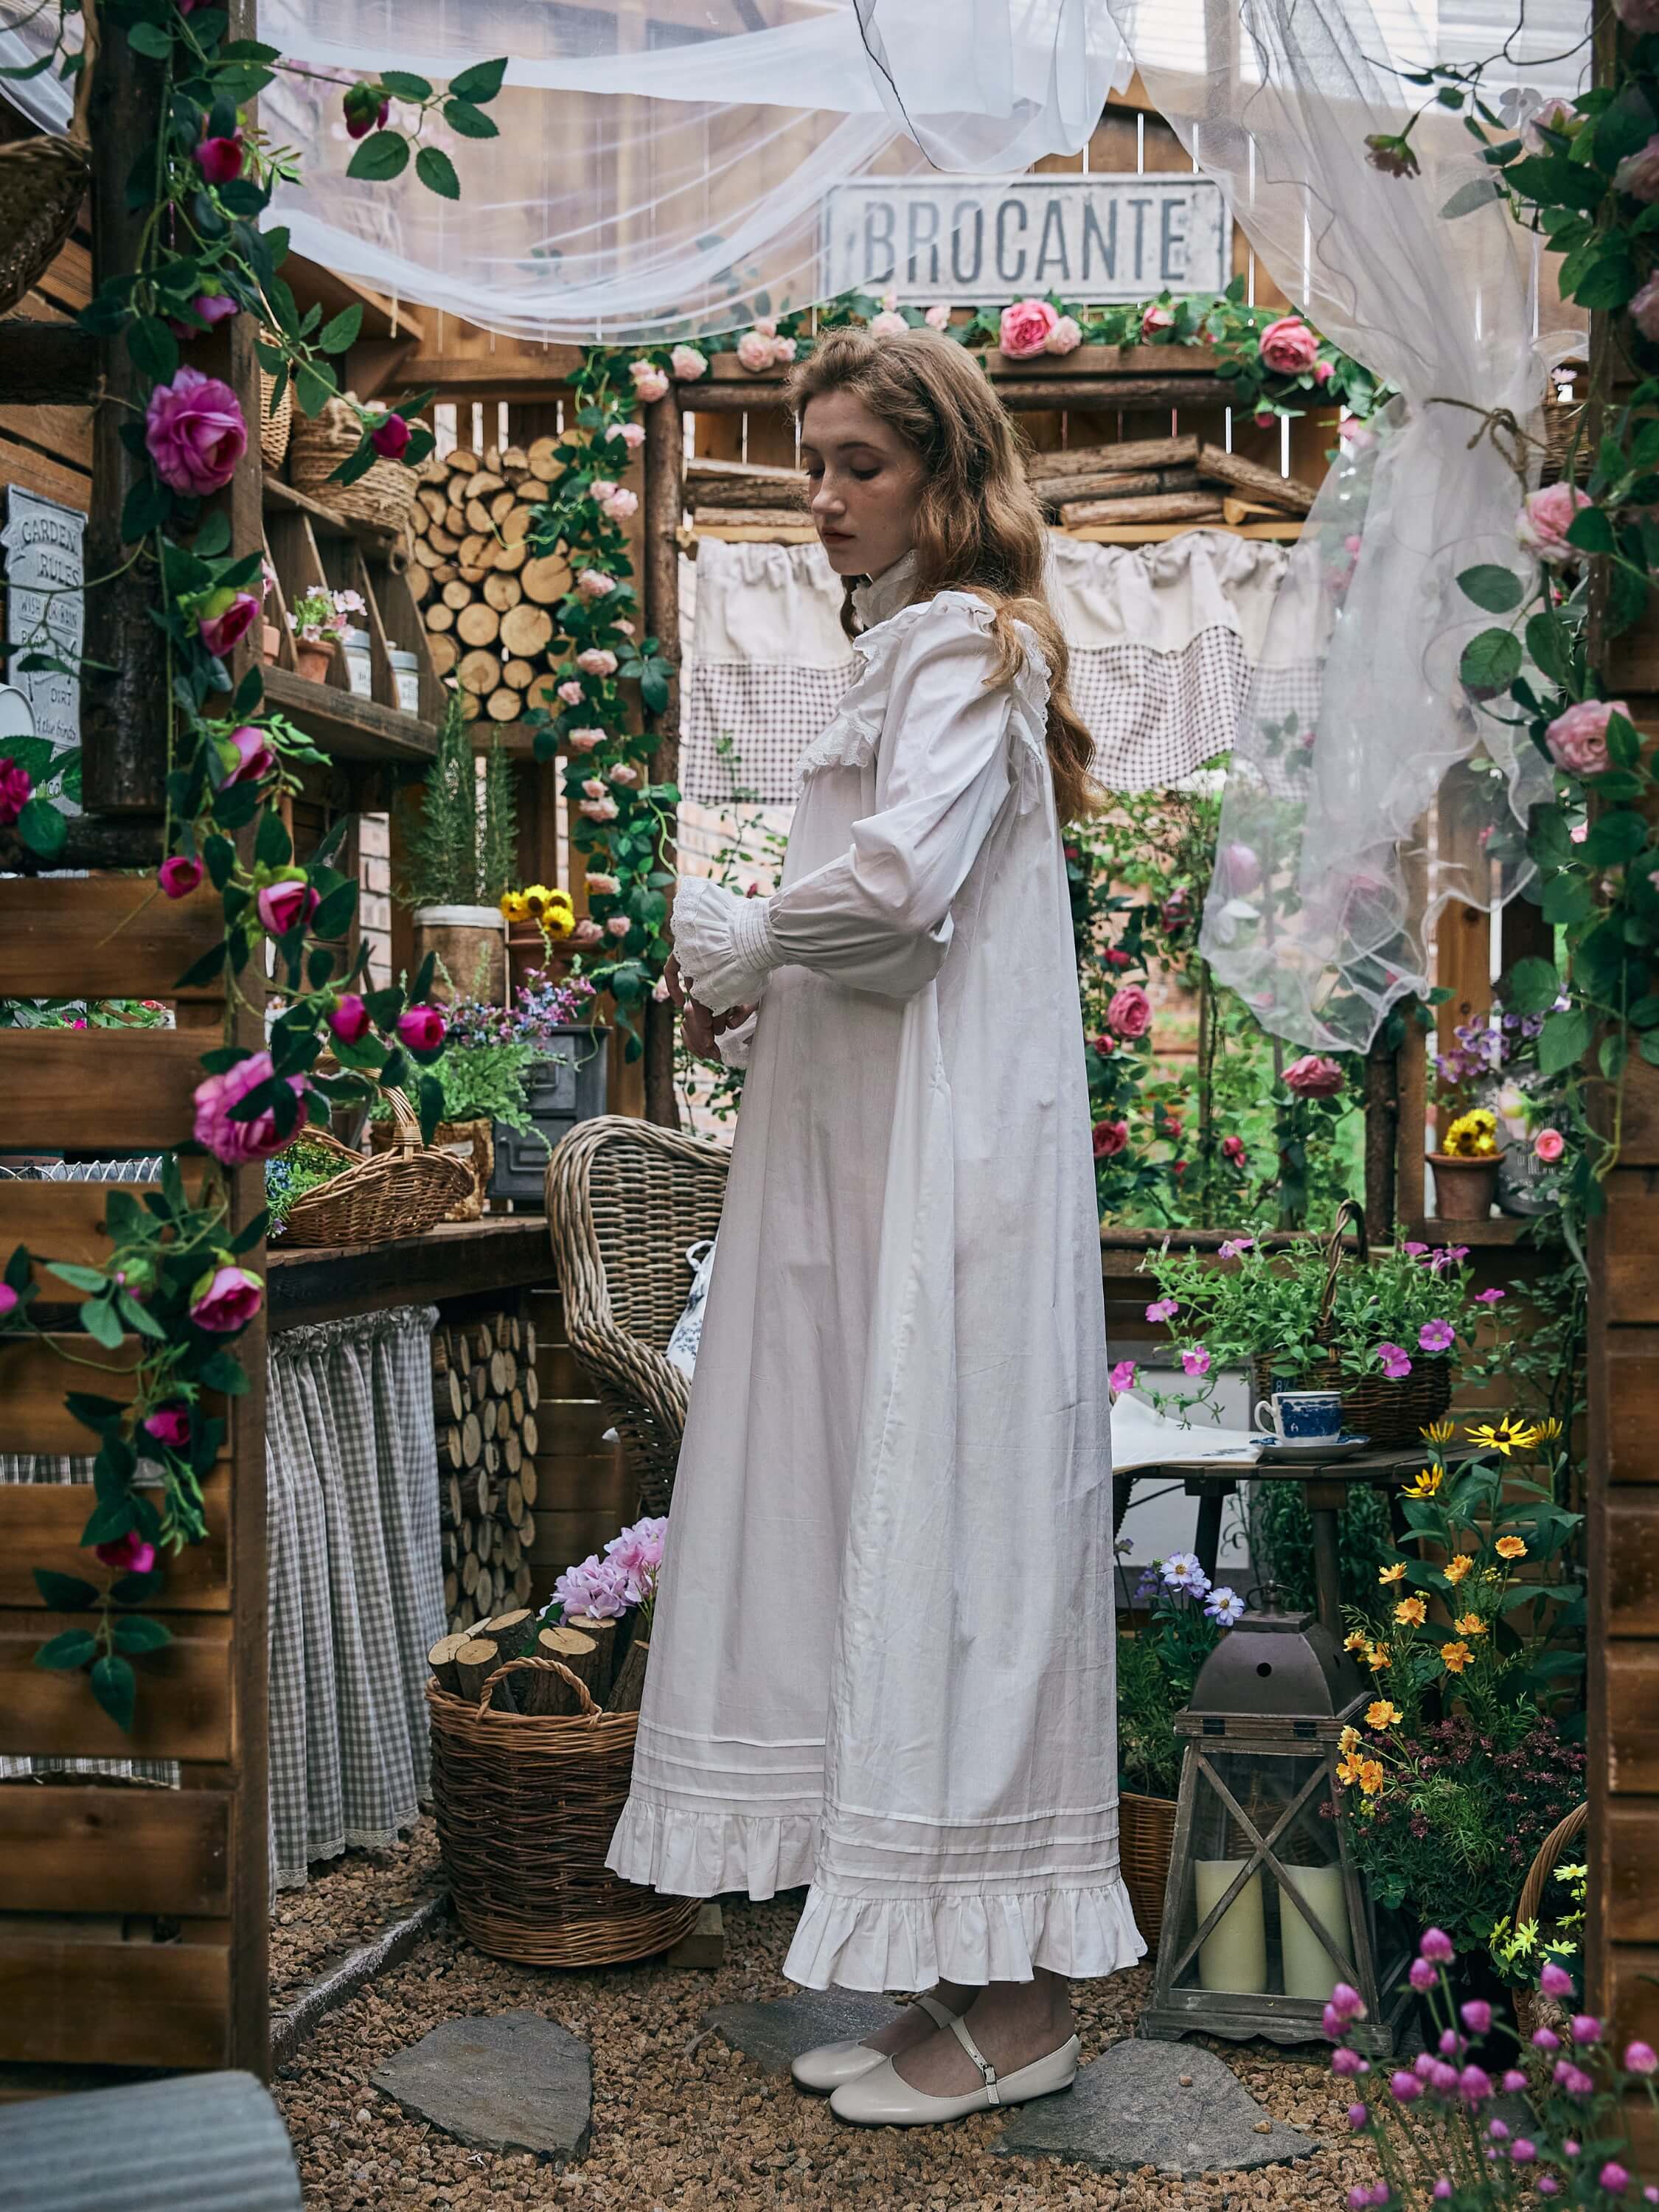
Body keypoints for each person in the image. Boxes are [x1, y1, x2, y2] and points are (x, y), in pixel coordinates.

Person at [607, 325, 1142, 2126]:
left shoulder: (972, 643)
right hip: (864, 1148)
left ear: (946, 476)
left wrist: (750, 936)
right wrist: (763, 992)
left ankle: (1027, 2002)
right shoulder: (905, 649)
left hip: (946, 1165)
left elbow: (903, 891)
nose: (825, 497)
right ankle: (948, 1969)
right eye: (813, 462)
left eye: (863, 464)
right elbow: (897, 928)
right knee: (880, 1507)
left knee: (960, 1510)